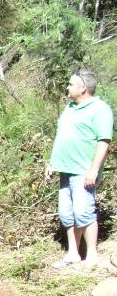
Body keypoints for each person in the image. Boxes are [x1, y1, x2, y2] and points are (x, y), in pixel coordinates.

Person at [45, 68, 112, 268]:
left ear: (83, 88)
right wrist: (52, 163)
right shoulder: (70, 108)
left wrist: (93, 170)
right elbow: (62, 138)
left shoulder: (99, 109)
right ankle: (73, 254)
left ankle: (92, 254)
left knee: (83, 212)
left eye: (71, 84)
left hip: (83, 170)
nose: (67, 87)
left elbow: (103, 141)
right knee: (67, 213)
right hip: (65, 169)